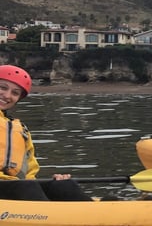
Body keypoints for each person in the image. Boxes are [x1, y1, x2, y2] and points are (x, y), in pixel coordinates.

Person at [0, 65, 92, 201]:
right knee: (26, 187)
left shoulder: (21, 130)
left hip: (15, 187)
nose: (7, 95)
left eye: (15, 93)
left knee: (64, 185)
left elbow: (29, 171)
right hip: (13, 188)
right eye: (2, 87)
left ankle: (100, 212)